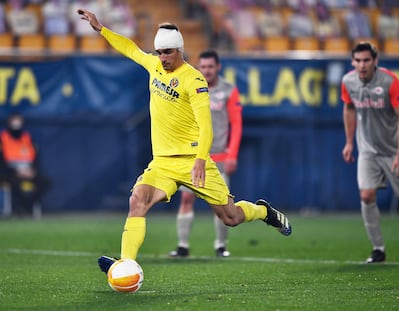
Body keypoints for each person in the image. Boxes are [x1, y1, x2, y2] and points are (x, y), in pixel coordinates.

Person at [77, 8, 292, 276]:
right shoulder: (154, 65)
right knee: (138, 201)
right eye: (159, 52)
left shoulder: (195, 80)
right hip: (163, 163)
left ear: (179, 49)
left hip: (193, 160)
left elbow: (206, 127)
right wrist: (101, 29)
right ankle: (127, 265)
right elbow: (130, 49)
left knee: (231, 217)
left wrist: (201, 160)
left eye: (167, 52)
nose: (163, 57)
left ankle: (263, 212)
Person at [341, 42, 399, 264]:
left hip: (394, 149)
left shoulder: (389, 81)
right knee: (366, 195)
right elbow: (349, 108)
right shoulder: (348, 81)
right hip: (368, 149)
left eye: (366, 60)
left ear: (375, 61)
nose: (362, 65)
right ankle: (378, 249)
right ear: (353, 62)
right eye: (358, 60)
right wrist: (349, 143)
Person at [169, 50, 243, 258]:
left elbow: (236, 124)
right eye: (203, 67)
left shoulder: (228, 90)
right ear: (198, 67)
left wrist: (232, 154)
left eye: (210, 66)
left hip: (218, 156)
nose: (207, 70)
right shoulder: (190, 85)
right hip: (193, 157)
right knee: (186, 199)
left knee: (221, 203)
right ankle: (182, 246)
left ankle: (221, 245)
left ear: (218, 67)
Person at [0, 113, 50, 216]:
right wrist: (15, 171)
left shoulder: (27, 138)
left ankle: (28, 205)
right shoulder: (3, 138)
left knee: (45, 182)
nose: (16, 123)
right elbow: (2, 162)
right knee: (15, 184)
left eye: (18, 120)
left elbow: (35, 158)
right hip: (10, 173)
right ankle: (20, 209)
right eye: (14, 120)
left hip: (28, 171)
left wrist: (32, 171)